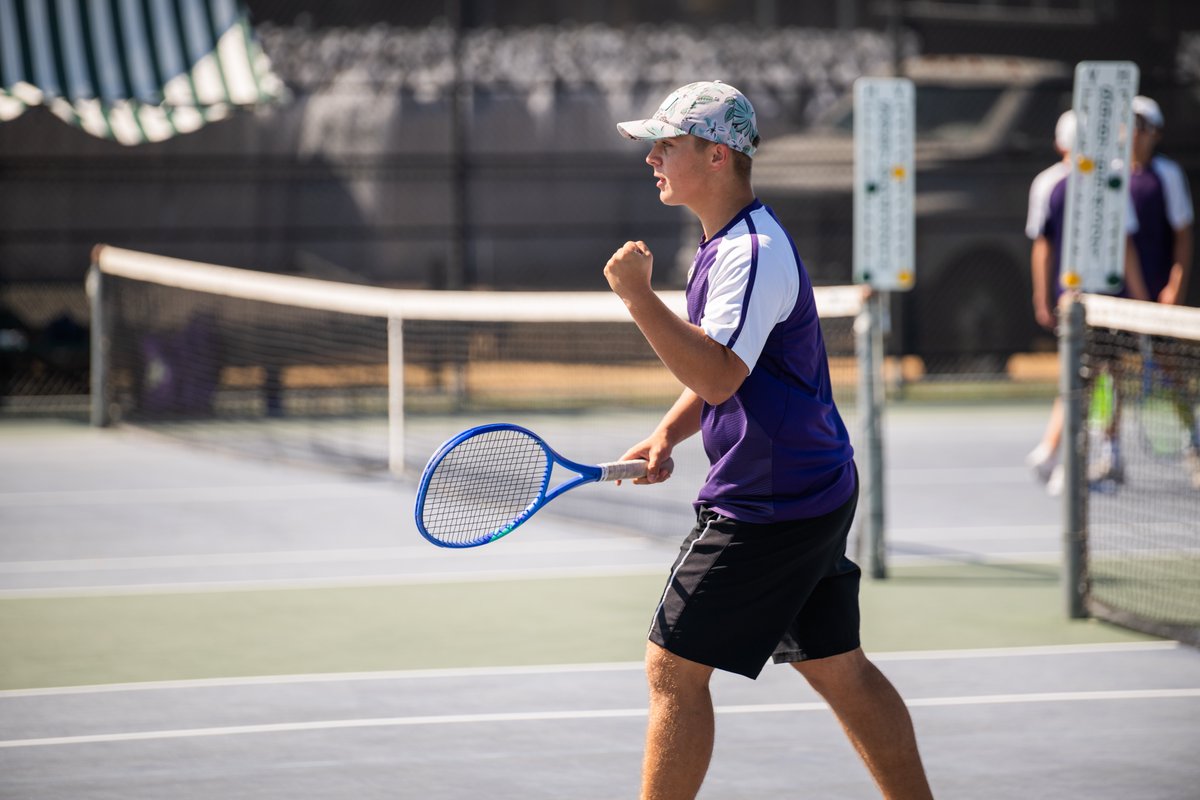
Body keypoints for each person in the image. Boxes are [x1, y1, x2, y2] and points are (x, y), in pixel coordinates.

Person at [604, 80, 933, 800]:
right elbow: (731, 367)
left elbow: (719, 376)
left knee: (672, 667)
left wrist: (637, 299)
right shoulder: (727, 245)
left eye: (668, 144)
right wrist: (668, 432)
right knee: (837, 666)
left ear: (716, 156)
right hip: (807, 487)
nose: (652, 158)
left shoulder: (751, 251)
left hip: (771, 502)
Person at [1024, 110, 1148, 493]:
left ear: (1060, 143)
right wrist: (1142, 302)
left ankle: (1069, 453)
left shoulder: (1049, 183)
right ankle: (1073, 460)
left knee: (1084, 379)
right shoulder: (1107, 181)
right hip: (1098, 305)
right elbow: (1125, 246)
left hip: (1078, 303)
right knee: (1099, 380)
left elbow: (1041, 247)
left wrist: (1043, 295)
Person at [1125, 95, 1200, 488]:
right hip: (1121, 297)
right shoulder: (1114, 173)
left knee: (1173, 374)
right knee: (1106, 375)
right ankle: (1107, 452)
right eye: (1130, 127)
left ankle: (1194, 444)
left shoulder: (1167, 175)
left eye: (1141, 129)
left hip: (1159, 295)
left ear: (1155, 133)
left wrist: (1173, 287)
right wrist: (1133, 297)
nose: (1134, 136)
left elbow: (1183, 234)